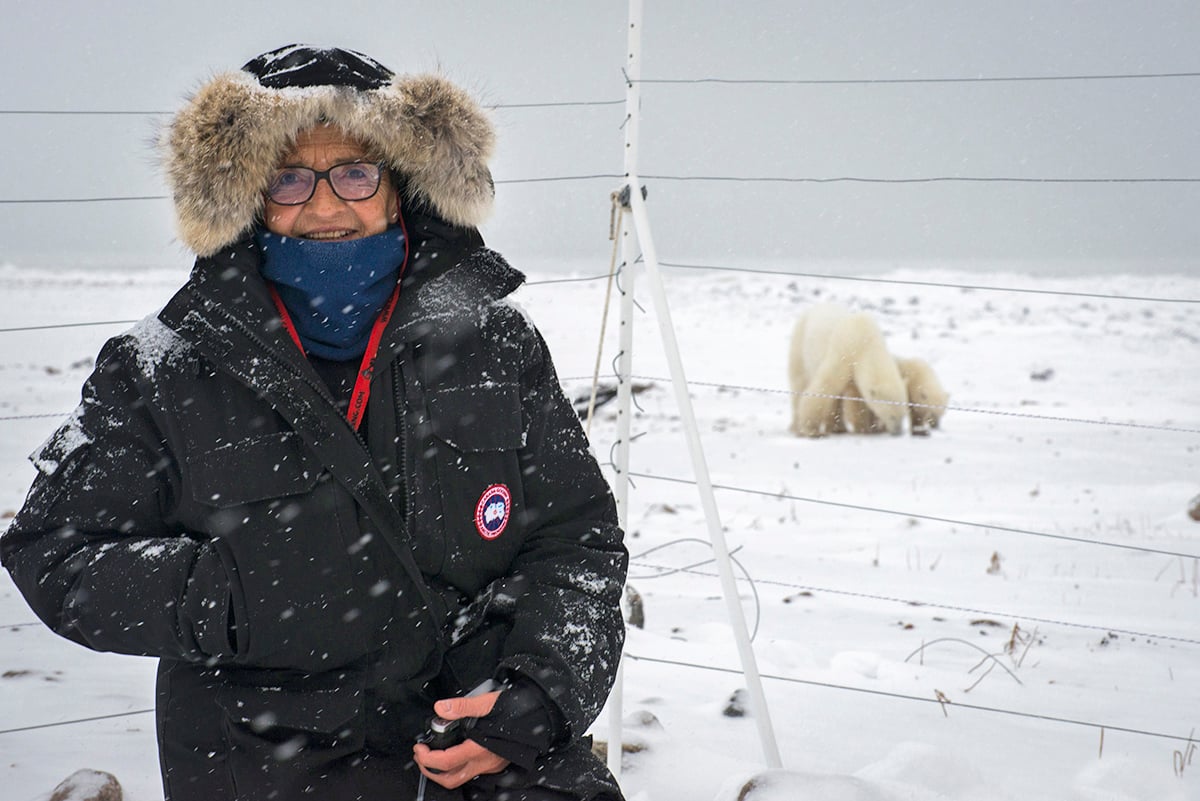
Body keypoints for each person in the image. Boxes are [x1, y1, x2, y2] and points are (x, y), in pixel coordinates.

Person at [1, 45, 628, 801]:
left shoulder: (496, 343)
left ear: (403, 187)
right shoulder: (161, 367)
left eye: (356, 173)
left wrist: (538, 694)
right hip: (260, 765)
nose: (327, 206)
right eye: (290, 178)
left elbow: (578, 537)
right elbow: (54, 550)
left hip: (477, 751)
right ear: (246, 200)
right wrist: (233, 597)